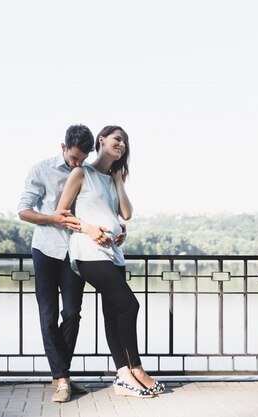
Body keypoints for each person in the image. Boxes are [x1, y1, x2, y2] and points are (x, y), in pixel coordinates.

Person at [18, 124, 124, 403]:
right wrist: (52, 218)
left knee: (73, 313)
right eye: (74, 157)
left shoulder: (89, 173)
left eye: (83, 158)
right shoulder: (40, 169)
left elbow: (100, 208)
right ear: (63, 147)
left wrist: (114, 228)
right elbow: (24, 211)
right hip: (46, 248)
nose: (78, 163)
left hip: (76, 251)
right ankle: (63, 377)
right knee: (48, 313)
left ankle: (60, 375)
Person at [56, 125, 165, 398]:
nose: (122, 145)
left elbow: (125, 213)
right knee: (130, 304)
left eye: (125, 142)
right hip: (88, 252)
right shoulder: (81, 173)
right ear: (101, 140)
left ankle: (123, 376)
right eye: (117, 139)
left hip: (113, 253)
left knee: (113, 313)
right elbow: (61, 212)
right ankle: (136, 368)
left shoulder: (113, 178)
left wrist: (118, 180)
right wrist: (89, 228)